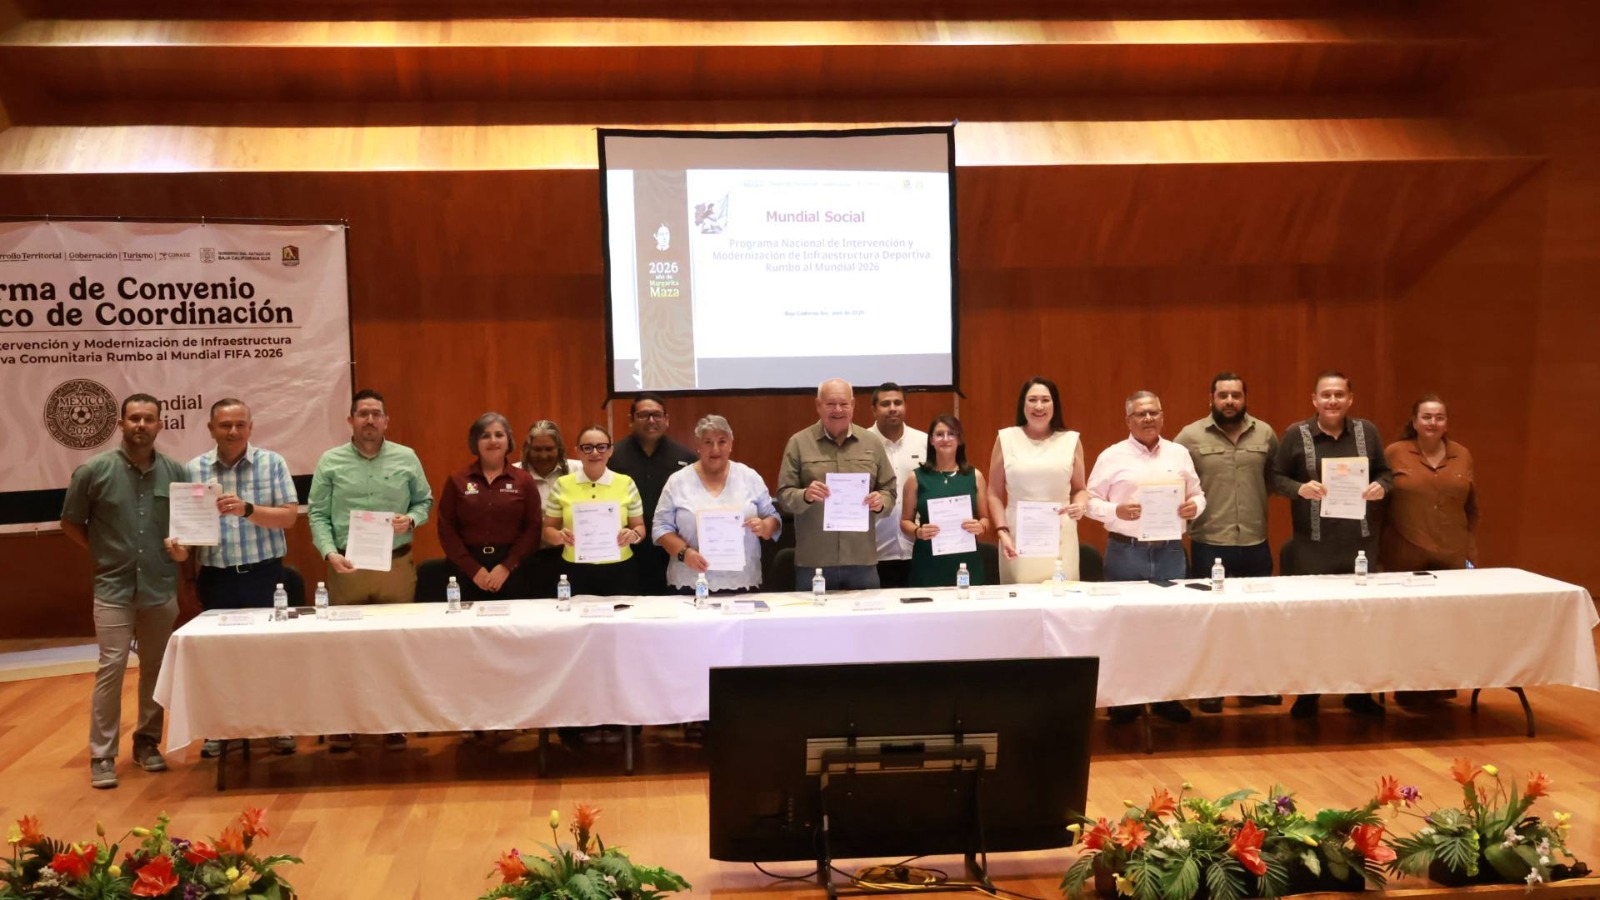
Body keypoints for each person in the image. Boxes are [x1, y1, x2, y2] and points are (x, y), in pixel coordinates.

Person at [60, 393, 190, 789]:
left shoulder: (177, 473)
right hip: (113, 586)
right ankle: (102, 754)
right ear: (121, 424)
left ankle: (147, 743)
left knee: (155, 669)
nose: (141, 425)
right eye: (134, 418)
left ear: (160, 424)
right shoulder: (94, 471)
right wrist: (100, 551)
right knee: (111, 668)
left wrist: (183, 550)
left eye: (149, 419)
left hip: (159, 585)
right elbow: (70, 522)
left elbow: (187, 529)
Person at [307, 388, 433, 752]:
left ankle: (393, 722)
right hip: (347, 568)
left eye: (376, 414)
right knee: (346, 648)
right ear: (350, 420)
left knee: (394, 646)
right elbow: (317, 514)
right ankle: (344, 723)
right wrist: (329, 553)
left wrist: (411, 519)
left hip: (395, 567)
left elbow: (425, 501)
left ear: (386, 421)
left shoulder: (406, 457)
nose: (370, 420)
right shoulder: (330, 461)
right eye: (363, 413)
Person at [183, 397, 300, 758]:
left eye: (240, 425)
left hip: (264, 574)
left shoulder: (272, 463)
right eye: (225, 425)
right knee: (218, 658)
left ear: (250, 428)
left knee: (269, 654)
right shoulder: (193, 469)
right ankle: (219, 729)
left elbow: (289, 517)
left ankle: (278, 726)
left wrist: (248, 510)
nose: (233, 431)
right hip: (215, 576)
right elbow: (187, 527)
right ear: (211, 429)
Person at [1272, 370, 1393, 719]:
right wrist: (1299, 488)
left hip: (1360, 543)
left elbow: (1386, 473)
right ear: (1314, 400)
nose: (1333, 400)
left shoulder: (1367, 432)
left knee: (1360, 620)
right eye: (1326, 395)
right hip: (1313, 544)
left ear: (1350, 399)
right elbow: (1275, 477)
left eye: (1339, 394)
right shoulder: (1296, 434)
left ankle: (1359, 692)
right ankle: (1309, 693)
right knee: (1314, 620)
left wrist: (1382, 487)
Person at [1086, 390, 1206, 724]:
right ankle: (1126, 701)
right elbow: (1090, 502)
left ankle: (1167, 698)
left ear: (1163, 417)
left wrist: (1194, 507)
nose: (1148, 418)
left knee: (1170, 626)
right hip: (1126, 551)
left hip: (1170, 551)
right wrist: (1116, 510)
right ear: (1128, 420)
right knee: (1125, 627)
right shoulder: (1112, 456)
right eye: (1141, 414)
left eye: (1154, 412)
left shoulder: (1179, 454)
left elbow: (1198, 494)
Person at [1175, 374, 1292, 713]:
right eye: (1223, 395)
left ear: (1244, 398)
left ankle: (1252, 686)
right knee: (1211, 620)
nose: (1229, 401)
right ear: (1211, 398)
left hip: (1255, 540)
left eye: (1236, 395)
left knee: (1255, 619)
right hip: (1210, 541)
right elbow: (1173, 480)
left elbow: (1273, 479)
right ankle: (1210, 688)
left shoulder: (1265, 433)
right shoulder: (1190, 436)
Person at [777, 378, 897, 591]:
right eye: (831, 404)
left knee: (868, 614)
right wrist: (805, 495)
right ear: (818, 405)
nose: (838, 410)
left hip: (862, 560)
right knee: (814, 614)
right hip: (815, 562)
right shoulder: (799, 443)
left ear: (853, 404)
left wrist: (881, 501)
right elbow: (784, 496)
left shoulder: (871, 442)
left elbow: (889, 489)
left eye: (843, 404)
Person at [653, 415, 782, 594]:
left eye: (722, 441)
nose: (715, 449)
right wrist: (684, 553)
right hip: (690, 582)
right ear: (698, 445)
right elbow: (660, 528)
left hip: (742, 581)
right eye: (708, 442)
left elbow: (773, 518)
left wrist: (765, 526)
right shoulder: (678, 481)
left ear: (731, 444)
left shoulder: (749, 477)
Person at [986, 377, 1088, 582]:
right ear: (1022, 404)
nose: (1039, 406)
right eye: (1032, 400)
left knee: (1061, 593)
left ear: (1054, 405)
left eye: (1045, 400)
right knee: (1020, 595)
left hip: (1060, 534)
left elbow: (1080, 489)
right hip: (1016, 535)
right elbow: (994, 493)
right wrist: (1002, 532)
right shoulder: (1006, 438)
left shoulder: (1070, 440)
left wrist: (1080, 505)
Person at [437, 412, 543, 601]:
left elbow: (533, 528)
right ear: (475, 443)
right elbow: (447, 530)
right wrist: (474, 570)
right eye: (485, 436)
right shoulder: (457, 481)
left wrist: (507, 567)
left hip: (513, 571)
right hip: (467, 571)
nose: (493, 440)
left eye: (499, 435)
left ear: (508, 441)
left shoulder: (524, 481)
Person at [542, 424, 647, 597]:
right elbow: (548, 530)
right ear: (577, 451)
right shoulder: (562, 484)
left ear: (610, 450)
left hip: (619, 570)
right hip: (575, 569)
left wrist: (633, 535)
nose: (595, 453)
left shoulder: (626, 483)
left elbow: (640, 527)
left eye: (601, 447)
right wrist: (559, 536)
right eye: (588, 447)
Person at [609, 393, 697, 595]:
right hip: (625, 551)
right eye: (643, 415)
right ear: (631, 420)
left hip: (671, 551)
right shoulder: (613, 456)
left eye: (657, 415)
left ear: (666, 419)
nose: (651, 420)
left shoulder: (686, 458)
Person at [1382, 395, 1477, 571]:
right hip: (1405, 554)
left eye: (1439, 418)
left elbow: (1470, 507)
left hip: (1452, 554)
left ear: (1446, 424)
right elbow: (1380, 506)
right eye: (1426, 417)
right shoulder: (1395, 453)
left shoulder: (1462, 455)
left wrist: (1470, 550)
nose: (1433, 422)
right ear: (1414, 422)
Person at [901, 415, 990, 588]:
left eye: (951, 434)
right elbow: (905, 522)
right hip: (928, 561)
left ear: (959, 440)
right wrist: (918, 531)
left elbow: (985, 519)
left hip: (966, 561)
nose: (945, 439)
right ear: (931, 440)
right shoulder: (916, 478)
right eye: (939, 434)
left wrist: (980, 526)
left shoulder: (975, 476)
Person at [866, 382, 928, 589]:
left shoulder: (924, 442)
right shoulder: (860, 443)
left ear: (905, 406)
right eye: (885, 404)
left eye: (897, 403)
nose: (892, 408)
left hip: (918, 549)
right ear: (874, 409)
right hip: (874, 551)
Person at [517, 419, 577, 597]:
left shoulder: (578, 470)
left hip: (570, 555)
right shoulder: (514, 475)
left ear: (559, 448)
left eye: (549, 449)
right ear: (527, 449)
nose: (543, 456)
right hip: (529, 557)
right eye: (537, 449)